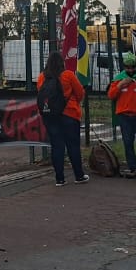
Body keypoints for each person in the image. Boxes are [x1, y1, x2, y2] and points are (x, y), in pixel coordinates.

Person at [37, 49, 89, 186]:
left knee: (57, 146)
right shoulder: (68, 75)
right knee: (73, 146)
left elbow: (41, 95)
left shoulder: (42, 77)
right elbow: (80, 93)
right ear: (62, 62)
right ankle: (79, 176)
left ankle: (59, 179)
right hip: (69, 114)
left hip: (50, 116)